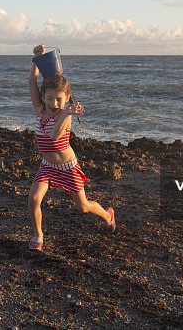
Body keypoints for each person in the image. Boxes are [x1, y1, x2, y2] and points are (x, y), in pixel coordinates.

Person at [27, 44, 115, 251]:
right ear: (43, 97)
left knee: (83, 207)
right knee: (34, 199)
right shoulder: (40, 109)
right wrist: (38, 59)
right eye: (50, 99)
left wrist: (67, 113)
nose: (54, 103)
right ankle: (38, 236)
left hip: (67, 167)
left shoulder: (66, 115)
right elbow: (32, 81)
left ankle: (107, 216)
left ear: (67, 98)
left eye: (59, 99)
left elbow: (54, 136)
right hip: (47, 166)